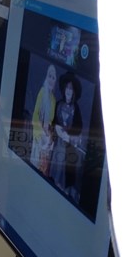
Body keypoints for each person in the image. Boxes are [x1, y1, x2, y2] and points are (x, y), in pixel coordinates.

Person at [50, 71, 84, 200]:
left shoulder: (76, 109)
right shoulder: (58, 104)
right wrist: (56, 129)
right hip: (56, 146)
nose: (68, 90)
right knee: (53, 176)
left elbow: (79, 128)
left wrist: (68, 134)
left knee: (64, 184)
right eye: (67, 87)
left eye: (71, 88)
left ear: (74, 91)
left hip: (68, 149)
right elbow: (52, 123)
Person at [29, 63, 58, 176]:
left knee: (43, 170)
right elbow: (35, 115)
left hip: (46, 139)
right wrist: (41, 131)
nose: (51, 79)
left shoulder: (54, 100)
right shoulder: (42, 92)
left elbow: (50, 121)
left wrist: (48, 133)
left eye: (53, 77)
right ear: (46, 77)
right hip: (38, 137)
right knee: (34, 167)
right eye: (49, 76)